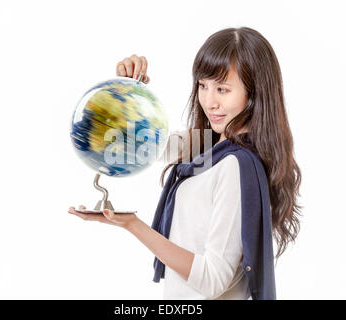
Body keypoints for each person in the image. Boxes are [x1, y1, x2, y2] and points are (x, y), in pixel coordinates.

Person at [68, 27, 302, 300]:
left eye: (223, 89)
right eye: (203, 86)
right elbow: (132, 145)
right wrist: (126, 94)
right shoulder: (210, 148)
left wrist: (132, 225)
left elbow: (214, 279)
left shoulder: (235, 165)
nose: (209, 101)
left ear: (254, 93)